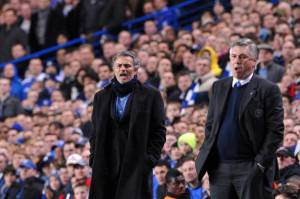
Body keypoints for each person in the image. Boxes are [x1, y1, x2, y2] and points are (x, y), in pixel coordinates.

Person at [195, 38, 284, 199]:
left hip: (250, 167)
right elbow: (210, 125)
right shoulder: (218, 86)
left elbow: (275, 131)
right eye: (233, 56)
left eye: (242, 57)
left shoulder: (268, 89)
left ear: (254, 61)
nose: (237, 61)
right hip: (219, 168)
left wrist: (259, 164)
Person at [89, 51, 166, 199]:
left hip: (136, 164)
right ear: (114, 69)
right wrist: (94, 157)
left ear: (136, 70)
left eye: (127, 66)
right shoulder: (101, 97)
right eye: (119, 66)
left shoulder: (151, 95)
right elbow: (95, 132)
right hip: (105, 164)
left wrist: (149, 159)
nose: (123, 69)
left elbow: (159, 131)